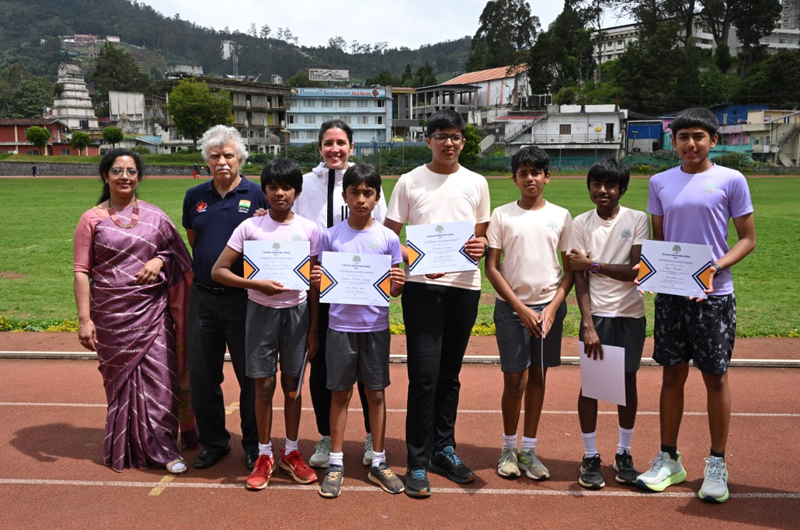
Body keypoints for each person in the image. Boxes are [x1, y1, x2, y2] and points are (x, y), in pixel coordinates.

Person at [636, 108, 756, 503]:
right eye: (683, 136)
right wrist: (652, 272)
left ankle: (717, 463)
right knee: (671, 375)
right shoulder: (659, 182)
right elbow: (661, 240)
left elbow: (747, 239)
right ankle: (669, 459)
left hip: (714, 295)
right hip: (673, 294)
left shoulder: (731, 180)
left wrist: (714, 268)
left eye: (698, 136)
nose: (691, 143)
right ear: (673, 142)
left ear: (713, 140)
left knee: (715, 377)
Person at [384, 109, 490, 497]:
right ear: (427, 140)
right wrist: (414, 259)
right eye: (441, 135)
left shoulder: (477, 182)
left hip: (464, 287)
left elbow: (479, 237)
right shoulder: (410, 181)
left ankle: (443, 449)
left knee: (449, 375)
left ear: (463, 141)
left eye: (455, 136)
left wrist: (480, 247)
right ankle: (416, 460)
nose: (449, 142)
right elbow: (388, 235)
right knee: (424, 375)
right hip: (421, 289)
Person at [73, 148, 196, 474]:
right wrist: (85, 320)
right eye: (117, 171)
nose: (124, 176)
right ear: (105, 176)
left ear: (139, 177)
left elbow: (180, 258)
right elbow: (81, 271)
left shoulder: (156, 217)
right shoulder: (91, 219)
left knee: (162, 381)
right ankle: (125, 447)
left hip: (152, 314)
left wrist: (160, 260)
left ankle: (164, 450)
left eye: (131, 171)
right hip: (111, 317)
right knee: (120, 384)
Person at [212, 158, 320, 490]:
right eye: (273, 187)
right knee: (263, 386)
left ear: (297, 192)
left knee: (293, 386)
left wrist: (314, 328)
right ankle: (263, 453)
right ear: (264, 191)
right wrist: (255, 283)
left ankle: (291, 451)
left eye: (287, 187)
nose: (280, 193)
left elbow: (314, 285)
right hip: (260, 313)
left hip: (298, 315)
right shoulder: (250, 227)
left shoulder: (309, 229)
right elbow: (219, 271)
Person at [293, 119, 388, 469]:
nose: (335, 149)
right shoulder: (305, 183)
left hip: (361, 282)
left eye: (341, 143)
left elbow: (382, 228)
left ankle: (370, 435)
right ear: (319, 147)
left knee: (366, 368)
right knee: (321, 364)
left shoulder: (364, 181)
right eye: (328, 143)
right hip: (319, 282)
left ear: (351, 146)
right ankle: (325, 435)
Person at [309, 164, 405, 498]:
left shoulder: (388, 238)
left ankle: (378, 460)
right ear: (345, 195)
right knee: (340, 393)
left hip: (375, 328)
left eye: (368, 193)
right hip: (339, 327)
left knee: (375, 393)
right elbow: (323, 284)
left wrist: (398, 283)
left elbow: (394, 290)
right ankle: (336, 463)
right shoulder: (331, 236)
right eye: (355, 192)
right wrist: (319, 281)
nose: (361, 199)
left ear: (377, 198)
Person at [484, 146, 573, 483]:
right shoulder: (502, 215)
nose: (530, 178)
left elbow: (569, 271)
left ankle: (529, 449)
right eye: (523, 173)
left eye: (536, 173)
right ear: (515, 179)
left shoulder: (561, 215)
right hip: (512, 309)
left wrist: (551, 308)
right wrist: (520, 308)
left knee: (538, 377)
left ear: (547, 177)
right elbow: (492, 267)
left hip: (548, 309)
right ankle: (508, 448)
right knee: (514, 380)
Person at [182, 125, 266, 471]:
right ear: (206, 160)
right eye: (214, 156)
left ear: (240, 158)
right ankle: (215, 441)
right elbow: (195, 241)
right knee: (202, 376)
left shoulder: (258, 194)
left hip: (245, 299)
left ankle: (254, 444)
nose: (222, 161)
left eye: (228, 155)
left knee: (251, 376)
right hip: (203, 298)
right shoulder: (194, 196)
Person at [566, 158, 650, 489]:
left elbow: (636, 271)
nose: (603, 190)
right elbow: (579, 276)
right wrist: (587, 323)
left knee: (627, 384)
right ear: (589, 187)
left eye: (611, 185)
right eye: (597, 184)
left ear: (622, 189)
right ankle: (590, 455)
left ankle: (623, 453)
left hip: (630, 314)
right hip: (598, 316)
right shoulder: (580, 223)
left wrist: (594, 264)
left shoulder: (637, 219)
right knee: (593, 386)